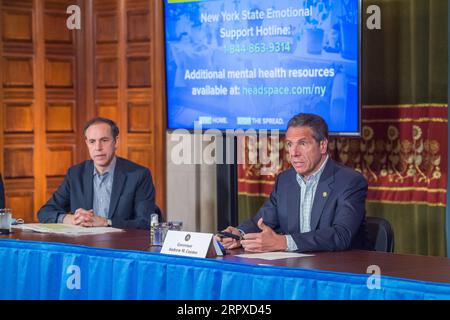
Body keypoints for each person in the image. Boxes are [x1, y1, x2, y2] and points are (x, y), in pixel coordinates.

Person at [218, 113, 368, 252]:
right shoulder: (285, 180)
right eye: (289, 144)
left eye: (302, 143)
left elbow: (341, 235)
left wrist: (283, 242)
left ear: (322, 145)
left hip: (337, 272)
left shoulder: (349, 182)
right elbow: (262, 221)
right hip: (294, 270)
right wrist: (239, 234)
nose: (294, 153)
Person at [38, 117, 158, 229]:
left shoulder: (138, 175)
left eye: (104, 140)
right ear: (87, 144)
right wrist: (69, 219)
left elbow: (146, 222)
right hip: (84, 247)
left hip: (121, 247)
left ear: (115, 142)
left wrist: (106, 222)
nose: (98, 147)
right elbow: (45, 212)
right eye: (92, 141)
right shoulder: (75, 174)